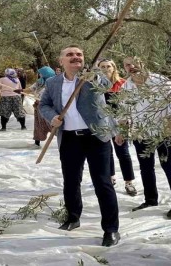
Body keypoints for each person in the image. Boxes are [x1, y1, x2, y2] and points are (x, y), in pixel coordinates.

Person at [38, 45, 120, 247]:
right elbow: (44, 105)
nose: (76, 57)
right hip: (69, 138)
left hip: (96, 137)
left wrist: (91, 74)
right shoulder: (53, 82)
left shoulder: (92, 76)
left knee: (103, 183)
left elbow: (104, 83)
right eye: (70, 55)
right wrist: (53, 117)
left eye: (79, 54)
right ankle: (73, 218)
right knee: (71, 180)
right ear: (61, 61)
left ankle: (111, 229)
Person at [121, 56, 171, 219]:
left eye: (135, 63)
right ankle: (151, 199)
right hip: (140, 133)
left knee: (169, 166)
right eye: (128, 65)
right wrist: (121, 131)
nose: (132, 66)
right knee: (145, 167)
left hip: (163, 132)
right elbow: (123, 110)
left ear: (143, 63)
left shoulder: (161, 81)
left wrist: (168, 129)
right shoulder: (126, 85)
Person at [97, 59, 138, 197]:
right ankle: (111, 177)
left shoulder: (122, 84)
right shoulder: (96, 84)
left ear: (114, 67)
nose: (105, 68)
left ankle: (129, 182)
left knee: (123, 153)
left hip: (120, 123)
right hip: (103, 123)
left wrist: (123, 127)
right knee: (106, 152)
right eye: (102, 66)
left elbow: (127, 107)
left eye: (108, 66)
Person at [31, 66, 56, 147]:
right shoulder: (40, 81)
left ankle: (65, 140)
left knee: (52, 123)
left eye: (41, 73)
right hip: (39, 106)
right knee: (38, 124)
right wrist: (20, 90)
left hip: (50, 106)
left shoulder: (54, 82)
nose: (40, 75)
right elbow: (31, 89)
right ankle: (37, 143)